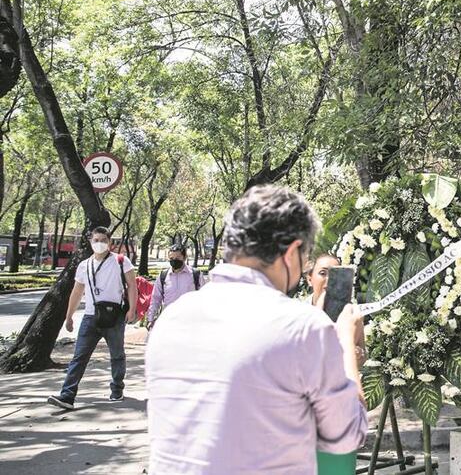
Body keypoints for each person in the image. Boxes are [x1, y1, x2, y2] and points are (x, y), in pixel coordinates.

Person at [146, 185, 368, 474]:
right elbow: (348, 434)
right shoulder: (302, 327)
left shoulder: (171, 319)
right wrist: (345, 339)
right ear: (291, 252)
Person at [47, 227, 137, 410]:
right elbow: (77, 291)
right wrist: (69, 316)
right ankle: (67, 396)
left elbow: (132, 286)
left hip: (115, 316)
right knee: (79, 357)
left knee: (117, 355)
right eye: (96, 240)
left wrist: (132, 310)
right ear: (90, 242)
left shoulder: (121, 261)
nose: (100, 243)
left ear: (110, 242)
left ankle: (117, 388)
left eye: (103, 239)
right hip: (91, 317)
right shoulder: (84, 265)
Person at [147, 245, 203, 329]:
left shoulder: (196, 275)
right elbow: (156, 298)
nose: (174, 261)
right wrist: (150, 318)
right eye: (171, 258)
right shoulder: (163, 276)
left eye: (177, 257)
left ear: (184, 257)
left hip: (190, 321)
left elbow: (204, 298)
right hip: (168, 321)